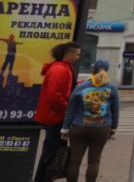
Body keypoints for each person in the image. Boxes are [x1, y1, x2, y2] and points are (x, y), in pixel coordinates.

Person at [62, 60, 119, 182]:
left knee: (74, 161)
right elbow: (115, 109)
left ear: (92, 70)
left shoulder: (81, 86)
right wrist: (113, 127)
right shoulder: (112, 87)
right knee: (94, 161)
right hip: (102, 128)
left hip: (79, 127)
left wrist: (65, 128)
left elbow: (70, 109)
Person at [34, 41, 81, 182]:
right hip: (55, 116)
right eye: (77, 54)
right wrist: (67, 110)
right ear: (69, 54)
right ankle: (41, 178)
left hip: (55, 115)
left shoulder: (63, 68)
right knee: (50, 151)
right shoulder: (59, 70)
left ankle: (47, 176)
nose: (78, 57)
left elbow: (66, 87)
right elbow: (54, 95)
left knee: (55, 150)